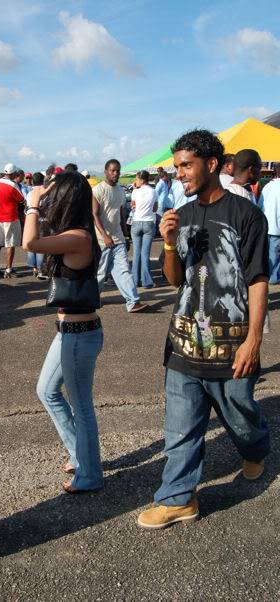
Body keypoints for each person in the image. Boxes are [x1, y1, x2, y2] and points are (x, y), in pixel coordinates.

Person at [137, 129, 270, 530]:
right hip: (184, 340)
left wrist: (254, 339)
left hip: (231, 344)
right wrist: (171, 243)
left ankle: (256, 448)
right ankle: (178, 498)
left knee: (241, 417)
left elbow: (258, 279)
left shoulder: (245, 214)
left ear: (211, 164)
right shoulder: (184, 214)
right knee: (179, 427)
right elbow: (176, 280)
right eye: (176, 166)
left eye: (186, 165)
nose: (179, 173)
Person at [23, 171, 104, 493]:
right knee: (46, 391)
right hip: (69, 333)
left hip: (78, 335)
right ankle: (79, 454)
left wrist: (32, 206)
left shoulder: (79, 237)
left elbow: (29, 243)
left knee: (81, 406)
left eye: (53, 196)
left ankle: (90, 475)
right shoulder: (73, 232)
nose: (47, 200)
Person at [93, 159, 146, 313]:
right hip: (102, 240)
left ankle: (133, 302)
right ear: (106, 171)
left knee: (124, 271)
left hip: (118, 239)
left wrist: (126, 235)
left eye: (118, 171)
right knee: (100, 273)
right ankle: (93, 299)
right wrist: (105, 236)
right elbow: (94, 215)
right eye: (112, 170)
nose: (116, 173)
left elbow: (122, 215)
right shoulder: (98, 190)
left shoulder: (121, 191)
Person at [0, 163, 24, 278]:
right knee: (10, 243)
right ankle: (8, 269)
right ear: (13, 173)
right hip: (11, 217)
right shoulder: (13, 185)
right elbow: (21, 199)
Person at [130, 170, 157, 289]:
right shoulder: (153, 191)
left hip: (136, 222)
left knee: (136, 253)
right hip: (148, 222)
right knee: (145, 254)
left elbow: (133, 206)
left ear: (141, 180)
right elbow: (155, 208)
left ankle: (135, 280)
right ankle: (146, 281)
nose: (135, 181)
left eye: (136, 179)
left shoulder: (135, 191)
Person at [259, 162, 280, 284]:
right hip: (276, 228)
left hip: (268, 226)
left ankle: (271, 278)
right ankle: (273, 279)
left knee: (270, 256)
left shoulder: (267, 187)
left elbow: (260, 206)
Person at [25, 171, 48, 279]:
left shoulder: (29, 193)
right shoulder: (45, 192)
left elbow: (27, 208)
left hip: (31, 219)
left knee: (31, 242)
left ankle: (33, 268)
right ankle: (40, 268)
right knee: (41, 244)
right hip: (42, 220)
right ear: (43, 181)